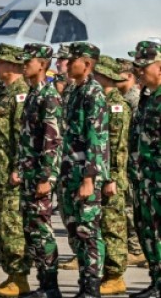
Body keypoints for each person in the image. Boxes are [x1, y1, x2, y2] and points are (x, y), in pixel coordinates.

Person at [0, 44, 31, 297]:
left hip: (9, 176)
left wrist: (17, 169)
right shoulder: (5, 92)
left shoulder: (21, 94)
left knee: (12, 228)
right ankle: (11, 274)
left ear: (11, 65)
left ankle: (20, 278)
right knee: (0, 229)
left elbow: (20, 137)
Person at [61, 42, 109, 298]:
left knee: (88, 232)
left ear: (87, 64)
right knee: (74, 231)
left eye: (72, 61)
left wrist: (89, 179)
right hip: (69, 173)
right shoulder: (73, 92)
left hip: (84, 174)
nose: (67, 65)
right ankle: (84, 283)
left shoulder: (94, 94)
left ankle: (92, 287)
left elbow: (96, 140)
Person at [16, 43, 64, 298]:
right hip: (28, 175)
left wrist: (47, 177)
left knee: (42, 231)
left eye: (29, 61)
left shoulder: (49, 96)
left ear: (43, 64)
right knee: (32, 230)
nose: (24, 65)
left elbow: (52, 140)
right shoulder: (33, 94)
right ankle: (43, 284)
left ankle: (51, 287)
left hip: (40, 177)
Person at [93, 56, 132, 296]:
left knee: (113, 226)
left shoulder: (116, 106)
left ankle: (116, 275)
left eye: (97, 75)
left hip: (112, 178)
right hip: (101, 174)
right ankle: (107, 272)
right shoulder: (101, 102)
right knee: (102, 225)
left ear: (105, 77)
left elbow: (117, 148)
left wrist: (112, 179)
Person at [129, 40, 161, 298]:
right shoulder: (147, 100)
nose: (138, 71)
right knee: (148, 233)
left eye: (143, 66)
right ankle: (157, 282)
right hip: (144, 181)